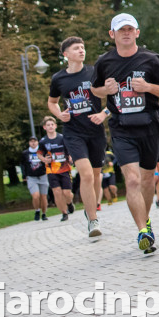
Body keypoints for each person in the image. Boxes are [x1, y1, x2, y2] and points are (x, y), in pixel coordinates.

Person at [91, 13, 159, 254]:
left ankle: (145, 220)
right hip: (121, 128)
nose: (126, 33)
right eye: (121, 30)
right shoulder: (104, 62)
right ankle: (142, 231)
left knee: (148, 180)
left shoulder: (151, 60)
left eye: (130, 29)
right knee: (133, 180)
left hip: (149, 126)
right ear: (112, 34)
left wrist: (148, 87)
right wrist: (104, 89)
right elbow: (95, 90)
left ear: (137, 32)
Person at [48, 36, 107, 238]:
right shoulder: (59, 79)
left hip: (96, 131)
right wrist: (58, 114)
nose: (81, 50)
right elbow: (52, 102)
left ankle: (92, 206)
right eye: (76, 48)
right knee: (87, 174)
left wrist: (103, 114)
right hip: (73, 132)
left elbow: (115, 96)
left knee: (96, 175)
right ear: (66, 54)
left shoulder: (94, 72)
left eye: (83, 47)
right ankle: (93, 220)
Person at [37, 116, 75, 221]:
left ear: (55, 126)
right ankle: (64, 213)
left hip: (64, 168)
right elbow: (39, 154)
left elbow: (70, 149)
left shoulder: (62, 138)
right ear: (44, 127)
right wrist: (44, 159)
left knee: (66, 193)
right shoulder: (43, 141)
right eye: (48, 125)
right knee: (57, 192)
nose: (50, 127)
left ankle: (69, 203)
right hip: (51, 170)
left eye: (52, 125)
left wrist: (71, 157)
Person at [21, 137, 49, 221]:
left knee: (43, 196)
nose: (33, 143)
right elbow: (22, 164)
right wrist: (24, 175)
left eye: (35, 141)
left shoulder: (42, 152)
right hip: (31, 177)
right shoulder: (25, 153)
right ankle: (37, 210)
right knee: (36, 196)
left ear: (37, 142)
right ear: (29, 143)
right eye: (31, 141)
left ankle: (44, 213)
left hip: (43, 176)